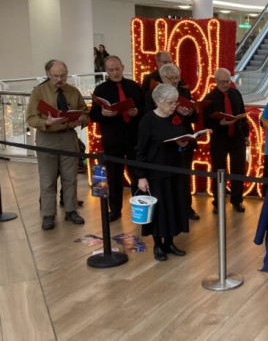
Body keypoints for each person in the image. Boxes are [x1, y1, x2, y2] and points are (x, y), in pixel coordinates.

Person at [26, 60, 89, 230]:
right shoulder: (39, 92)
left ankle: (71, 211)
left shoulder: (73, 91)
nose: (60, 79)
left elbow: (85, 113)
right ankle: (48, 214)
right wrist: (47, 121)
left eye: (63, 75)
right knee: (48, 179)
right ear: (48, 74)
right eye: (55, 76)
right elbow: (31, 118)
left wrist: (79, 120)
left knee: (70, 177)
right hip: (47, 138)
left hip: (69, 137)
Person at [135, 84, 191, 261]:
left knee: (174, 206)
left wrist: (185, 143)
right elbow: (140, 150)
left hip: (175, 169)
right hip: (155, 172)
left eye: (175, 102)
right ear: (158, 101)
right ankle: (158, 245)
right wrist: (141, 176)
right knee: (159, 210)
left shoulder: (176, 118)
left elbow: (183, 135)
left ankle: (170, 242)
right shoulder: (147, 121)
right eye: (170, 102)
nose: (174, 106)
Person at [89, 55, 145, 222]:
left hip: (134, 138)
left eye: (117, 68)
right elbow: (93, 115)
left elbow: (145, 108)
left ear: (123, 66)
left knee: (137, 174)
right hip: (113, 139)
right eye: (111, 70)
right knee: (114, 176)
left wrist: (137, 112)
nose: (114, 72)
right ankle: (115, 210)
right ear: (106, 71)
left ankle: (139, 206)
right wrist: (103, 113)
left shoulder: (134, 86)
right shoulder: (100, 90)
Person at [203, 68, 250, 213]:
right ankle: (218, 201)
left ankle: (237, 200)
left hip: (237, 137)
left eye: (227, 81)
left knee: (238, 170)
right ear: (215, 81)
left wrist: (246, 135)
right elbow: (205, 121)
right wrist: (219, 123)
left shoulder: (235, 93)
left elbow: (243, 114)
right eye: (221, 82)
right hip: (219, 138)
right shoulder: (209, 98)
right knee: (219, 171)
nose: (224, 84)